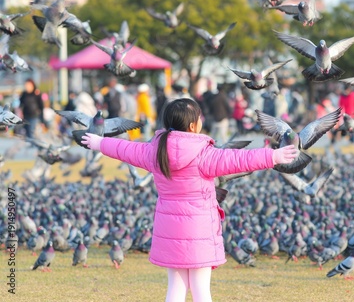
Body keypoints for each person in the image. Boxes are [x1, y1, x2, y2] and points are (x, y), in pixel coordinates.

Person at [81, 98, 298, 302]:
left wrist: (99, 142)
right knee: (201, 288)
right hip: (199, 229)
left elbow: (124, 149)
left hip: (170, 229)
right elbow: (240, 159)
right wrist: (274, 156)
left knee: (175, 287)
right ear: (194, 126)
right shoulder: (205, 154)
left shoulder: (154, 152)